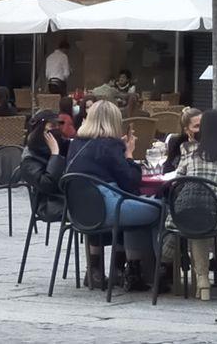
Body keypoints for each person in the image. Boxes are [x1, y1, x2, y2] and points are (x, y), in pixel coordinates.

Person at [65, 100, 166, 291]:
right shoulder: (110, 145)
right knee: (158, 208)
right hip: (107, 208)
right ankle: (146, 270)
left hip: (76, 210)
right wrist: (129, 154)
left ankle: (100, 269)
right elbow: (130, 182)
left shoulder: (76, 143)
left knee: (134, 206)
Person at [172, 109, 217, 301]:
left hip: (195, 214)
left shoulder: (191, 154)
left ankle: (203, 280)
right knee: (203, 219)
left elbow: (177, 181)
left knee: (195, 218)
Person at [18, 110, 69, 233]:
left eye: (58, 126)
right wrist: (55, 155)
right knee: (92, 212)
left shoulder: (63, 145)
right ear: (40, 130)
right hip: (49, 204)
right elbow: (47, 184)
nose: (56, 130)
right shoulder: (29, 159)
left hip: (69, 197)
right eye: (52, 127)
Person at [163, 107, 203, 173]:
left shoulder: (211, 143)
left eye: (203, 125)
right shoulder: (177, 143)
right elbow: (168, 168)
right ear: (186, 130)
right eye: (197, 126)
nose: (201, 129)